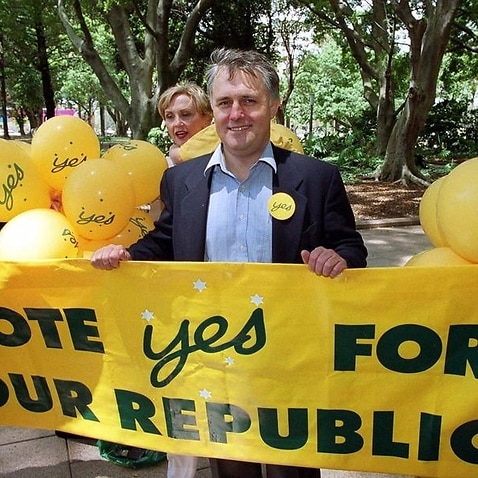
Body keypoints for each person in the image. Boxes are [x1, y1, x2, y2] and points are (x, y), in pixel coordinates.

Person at [91, 48, 367, 478]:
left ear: (273, 107)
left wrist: (339, 258)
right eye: (225, 102)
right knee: (231, 470)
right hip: (214, 360)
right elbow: (167, 241)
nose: (236, 114)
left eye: (249, 101)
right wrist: (126, 255)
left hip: (288, 365)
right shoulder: (180, 179)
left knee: (289, 472)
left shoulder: (316, 178)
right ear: (215, 110)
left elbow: (352, 249)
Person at [157, 81, 213, 167]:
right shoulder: (162, 168)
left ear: (207, 118)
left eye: (185, 114)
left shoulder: (225, 155)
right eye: (169, 116)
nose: (177, 123)